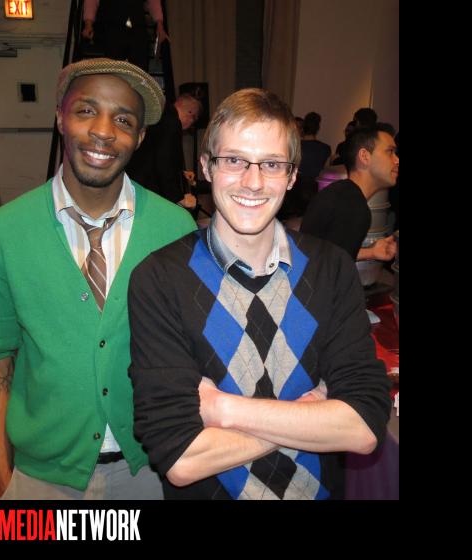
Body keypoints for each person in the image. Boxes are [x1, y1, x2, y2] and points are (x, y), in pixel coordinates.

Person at [127, 88, 392, 500]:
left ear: (291, 176)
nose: (253, 182)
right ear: (206, 167)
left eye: (271, 164)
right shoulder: (159, 280)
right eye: (234, 160)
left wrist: (224, 410)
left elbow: (364, 426)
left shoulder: (331, 269)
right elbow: (180, 458)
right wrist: (311, 418)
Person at [0, 58, 197, 500]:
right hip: (41, 477)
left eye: (123, 120)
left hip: (151, 468)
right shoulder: (0, 235)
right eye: (86, 111)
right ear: (60, 119)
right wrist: (2, 479)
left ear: (140, 138)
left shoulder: (175, 229)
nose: (103, 131)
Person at [300, 124, 399, 261]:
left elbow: (329, 253)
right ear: (364, 156)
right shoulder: (353, 207)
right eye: (390, 152)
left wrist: (371, 252)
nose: (397, 160)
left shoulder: (343, 194)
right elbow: (330, 267)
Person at [126, 93, 203, 210]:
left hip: (133, 181)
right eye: (193, 120)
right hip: (148, 188)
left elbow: (155, 153)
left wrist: (181, 172)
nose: (190, 125)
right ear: (190, 113)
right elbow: (164, 161)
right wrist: (178, 197)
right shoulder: (172, 122)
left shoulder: (159, 116)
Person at [82, 0, 169, 72]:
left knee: (140, 70)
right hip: (113, 28)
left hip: (138, 27)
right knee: (114, 70)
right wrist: (88, 24)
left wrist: (160, 25)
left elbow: (153, 2)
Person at [298, 111, 331, 180]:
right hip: (315, 185)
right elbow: (325, 173)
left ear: (303, 127)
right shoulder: (325, 149)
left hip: (296, 185)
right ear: (318, 128)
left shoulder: (295, 146)